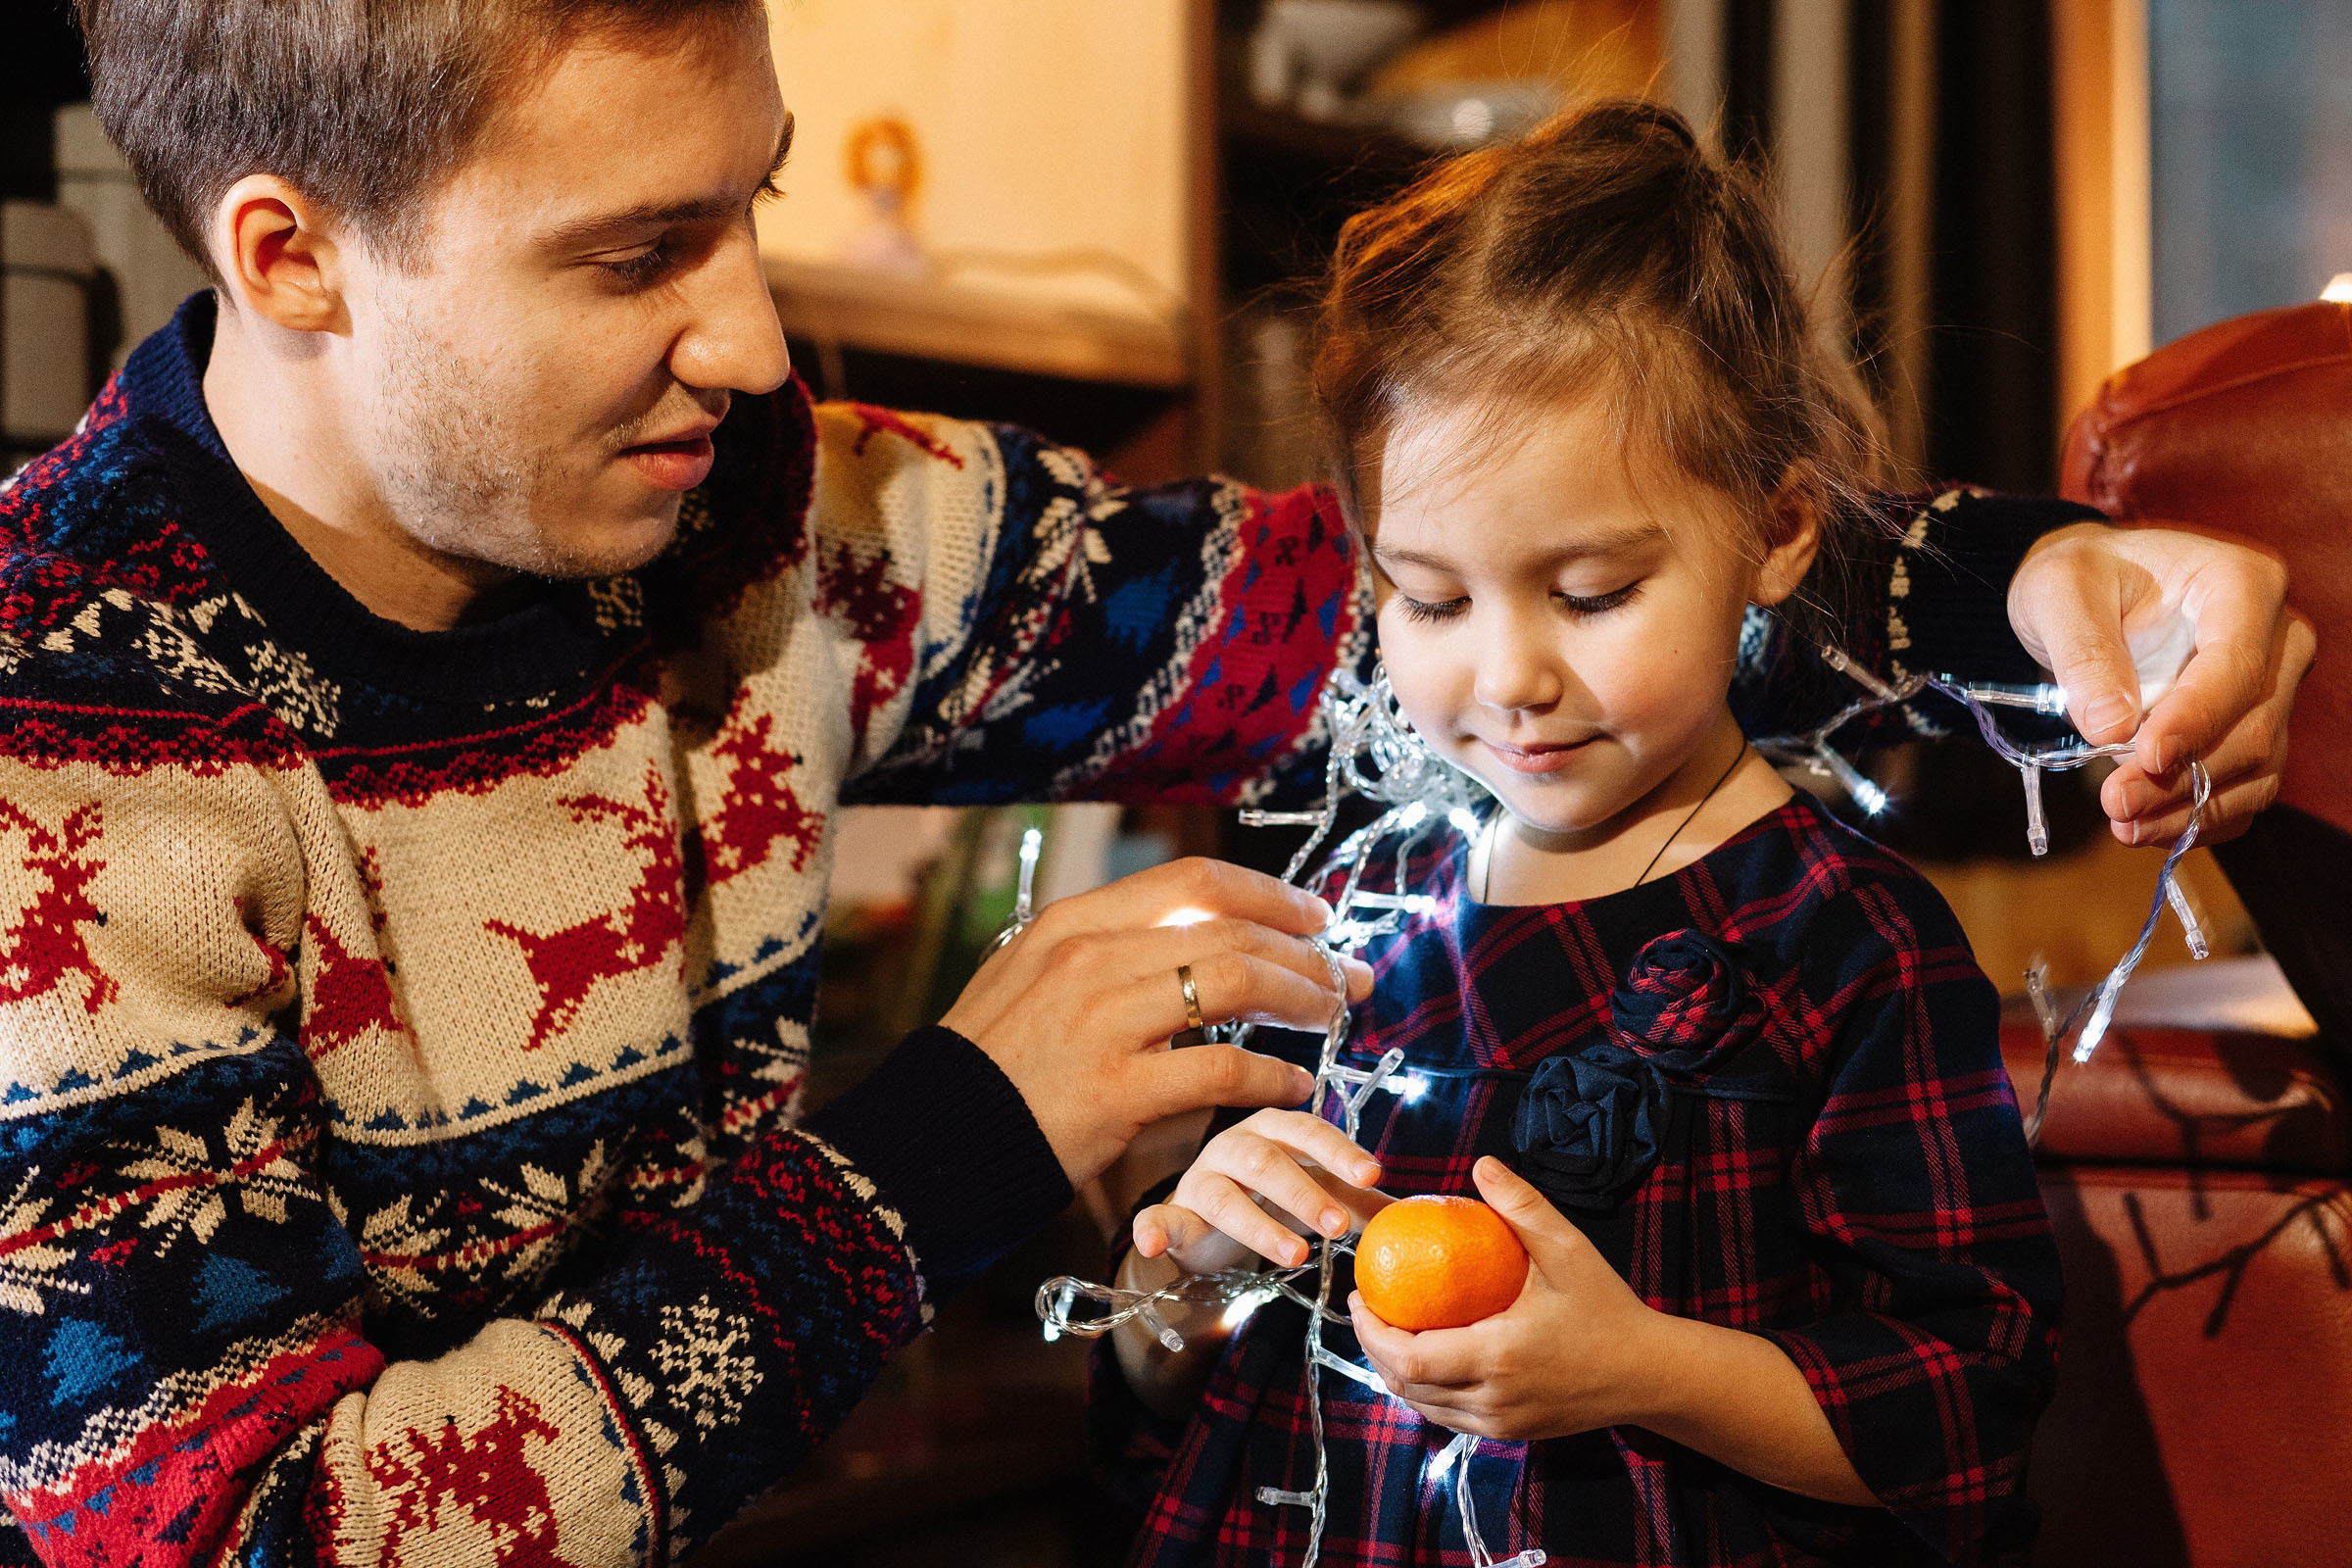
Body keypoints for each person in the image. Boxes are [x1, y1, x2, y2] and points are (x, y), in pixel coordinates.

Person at [0, 3, 2306, 1565]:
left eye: (748, 207)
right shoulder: (60, 796)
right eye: (636, 252)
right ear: (289, 255)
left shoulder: (771, 522)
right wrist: (951, 1152)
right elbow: (246, 1533)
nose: (757, 340)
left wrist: (2033, 580)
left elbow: (1473, 589)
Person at [1106, 104, 2063, 1566]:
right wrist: (1181, 1282)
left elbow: (1967, 1407)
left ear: (1778, 527)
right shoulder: (1360, 914)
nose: (1507, 679)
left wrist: (1642, 1370)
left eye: (1594, 591)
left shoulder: (1841, 936)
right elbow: (1180, 1381)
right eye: (1430, 599)